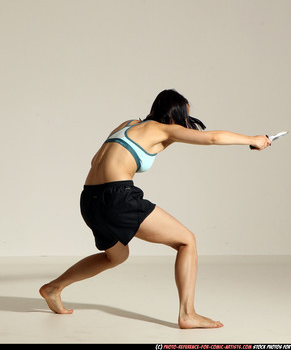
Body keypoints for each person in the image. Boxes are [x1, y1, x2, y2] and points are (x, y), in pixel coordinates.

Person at [39, 89, 271, 329]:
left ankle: (53, 288)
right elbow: (212, 138)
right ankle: (187, 314)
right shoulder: (165, 129)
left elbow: (100, 160)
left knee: (116, 256)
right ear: (175, 115)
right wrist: (253, 139)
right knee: (187, 241)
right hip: (118, 197)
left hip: (89, 199)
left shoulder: (128, 124)